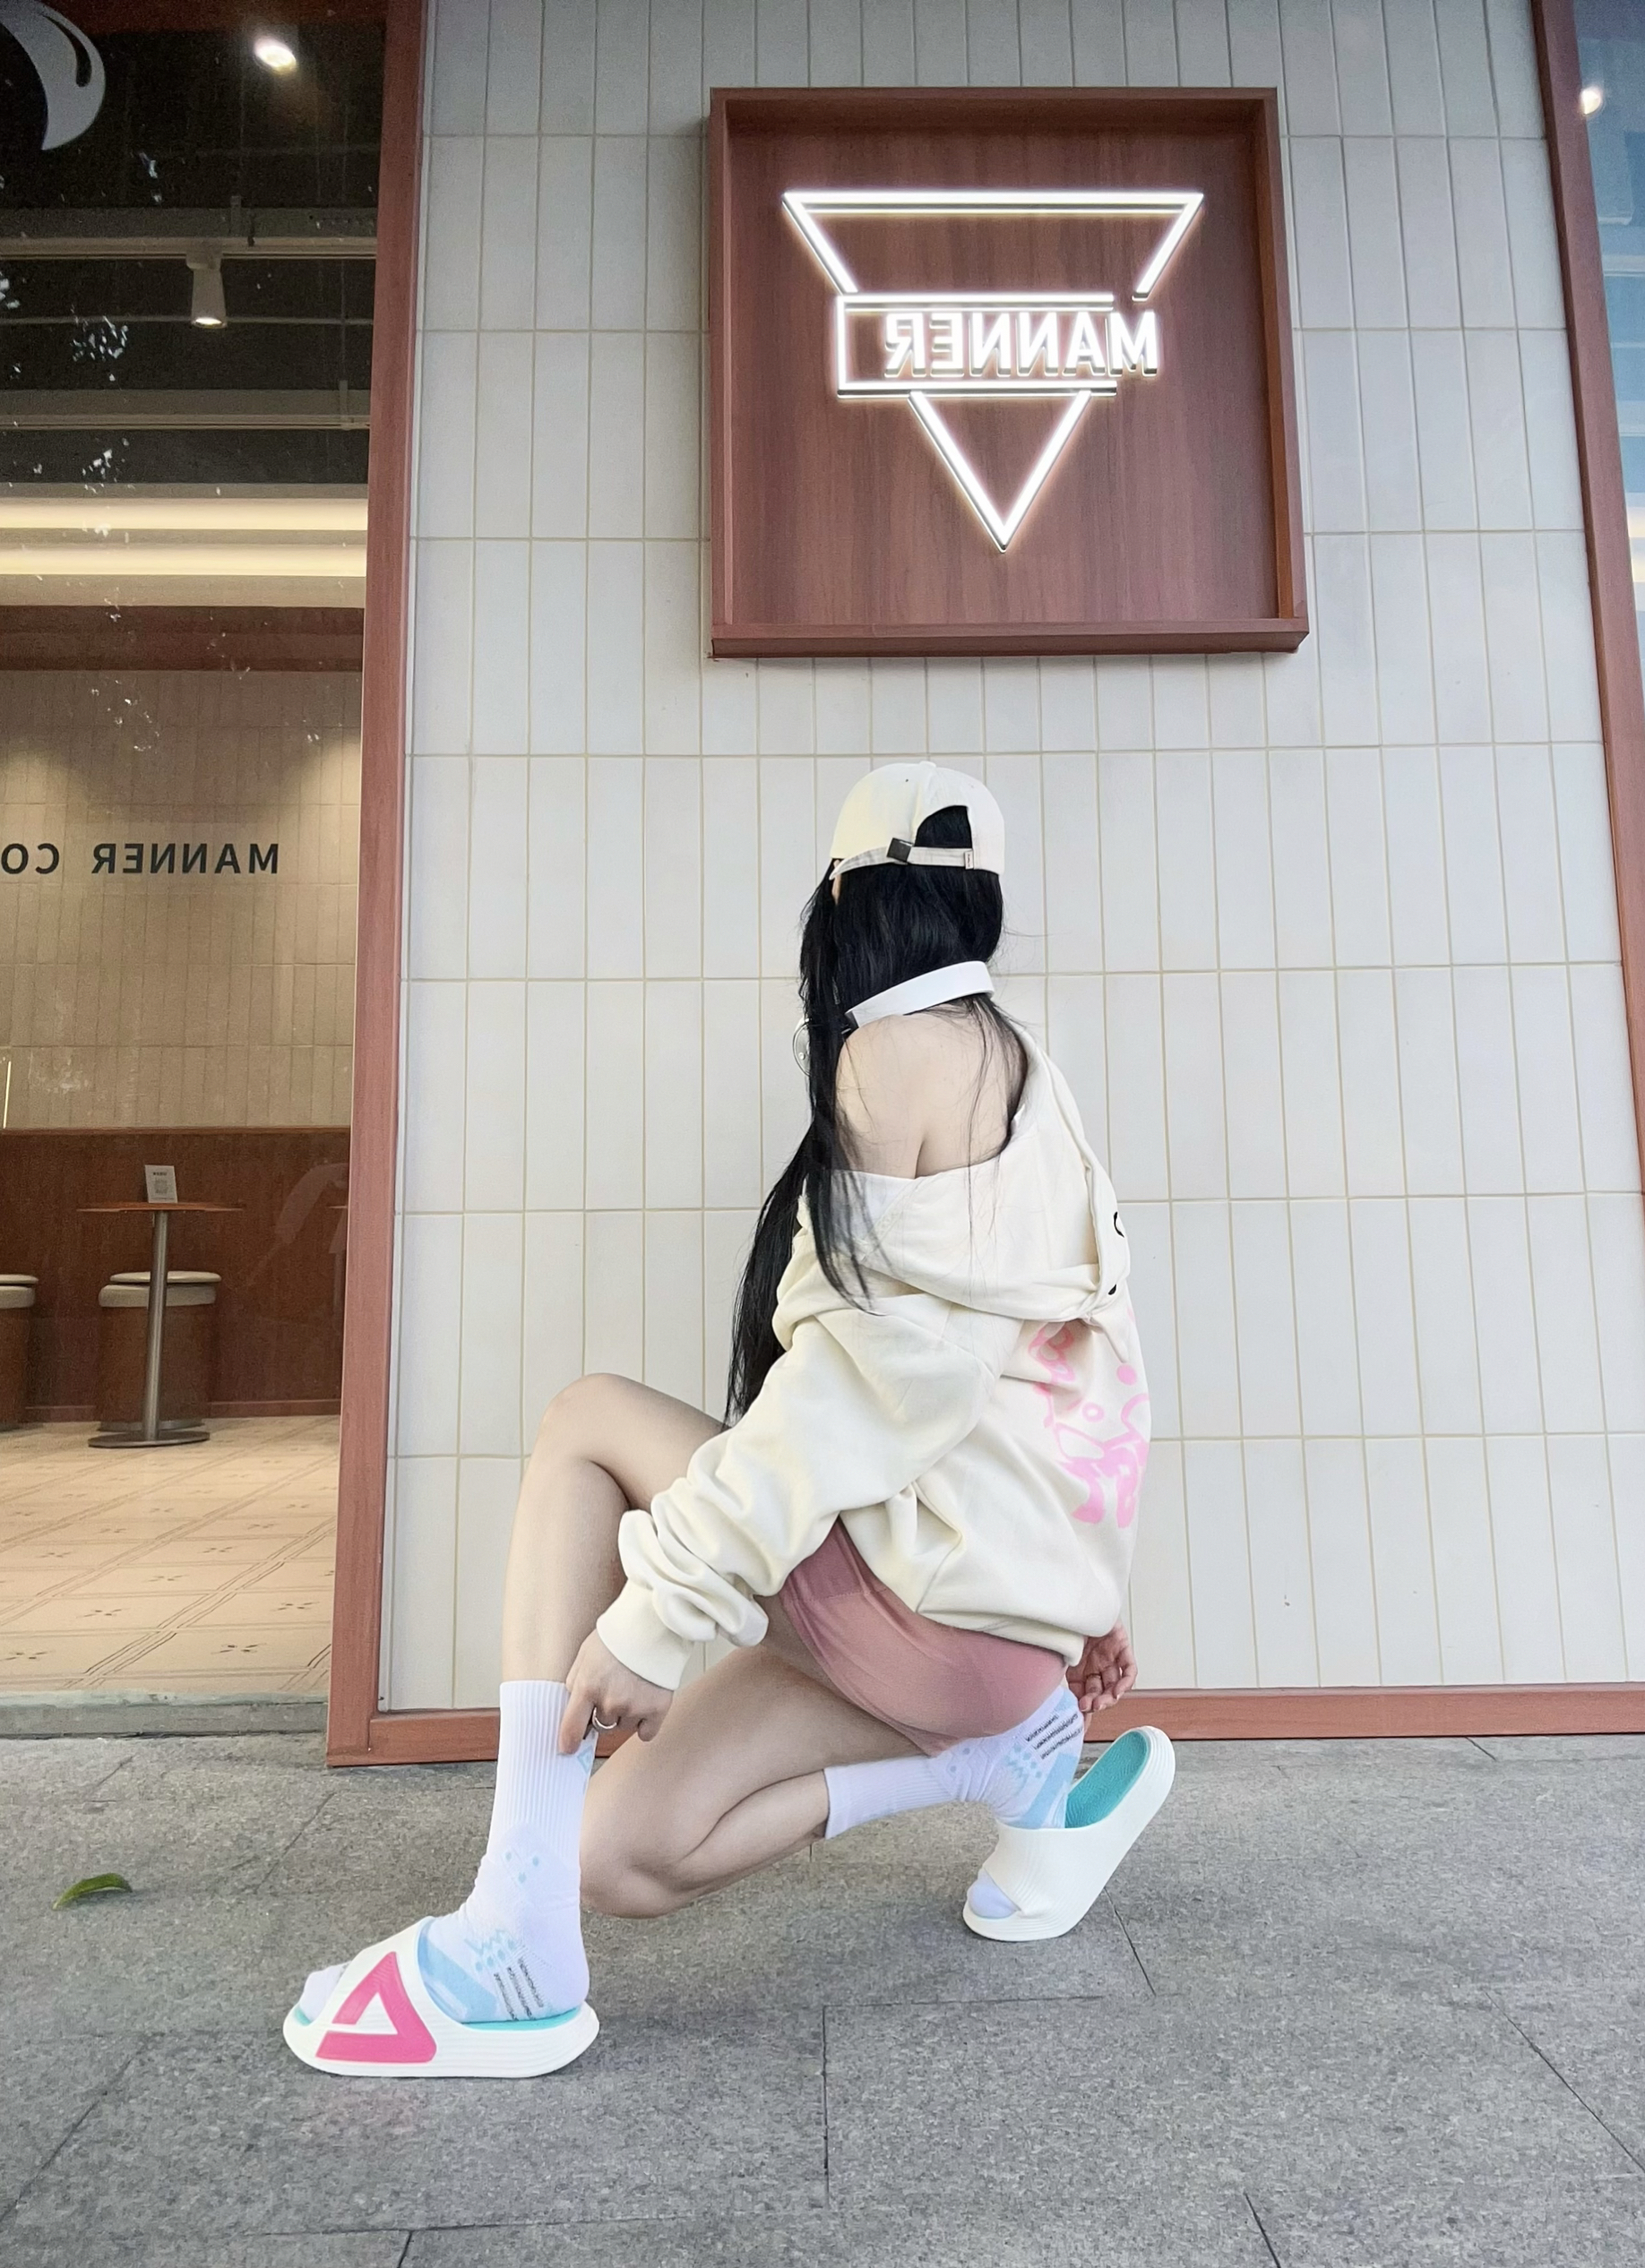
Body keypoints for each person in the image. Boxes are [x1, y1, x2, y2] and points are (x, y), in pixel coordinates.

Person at [288, 763, 1174, 2080]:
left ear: (840, 903)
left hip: (924, 1610)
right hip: (987, 1639)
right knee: (619, 1857)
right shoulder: (1030, 1069)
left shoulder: (893, 1050)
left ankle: (509, 1940)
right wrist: (1083, 1597)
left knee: (586, 1420)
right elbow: (1078, 1364)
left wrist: (660, 1618)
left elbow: (855, 1393)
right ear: (982, 906)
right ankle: (995, 1761)